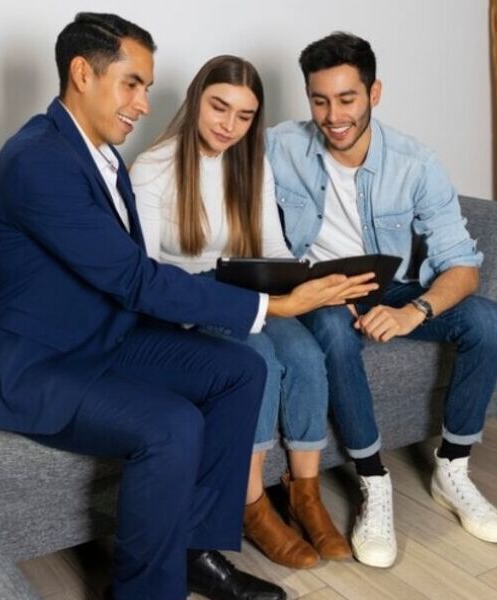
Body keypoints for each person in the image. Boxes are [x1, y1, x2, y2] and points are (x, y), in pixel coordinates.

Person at [0, 14, 374, 600]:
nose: (144, 104)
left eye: (146, 88)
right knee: (172, 424)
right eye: (132, 84)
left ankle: (194, 553)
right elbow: (134, 278)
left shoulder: (98, 154)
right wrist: (274, 305)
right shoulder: (37, 160)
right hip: (29, 365)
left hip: (100, 336)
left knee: (241, 369)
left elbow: (126, 279)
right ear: (82, 73)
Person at [264, 32, 497, 569]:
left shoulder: (415, 162)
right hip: (319, 290)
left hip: (393, 285)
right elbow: (212, 164)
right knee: (332, 330)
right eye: (320, 100)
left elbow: (463, 266)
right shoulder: (279, 146)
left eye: (347, 99)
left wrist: (411, 311)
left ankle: (453, 469)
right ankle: (373, 481)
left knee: (488, 321)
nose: (334, 116)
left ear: (373, 93)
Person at [132, 55, 353, 570]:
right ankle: (251, 503)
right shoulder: (153, 167)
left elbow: (272, 249)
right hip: (192, 300)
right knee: (259, 361)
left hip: (248, 291)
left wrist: (308, 281)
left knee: (305, 355)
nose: (229, 125)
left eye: (245, 115)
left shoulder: (251, 165)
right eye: (219, 107)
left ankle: (304, 495)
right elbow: (145, 271)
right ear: (195, 99)